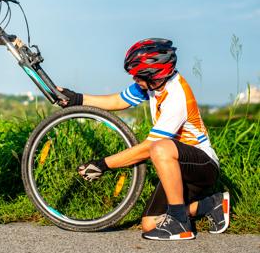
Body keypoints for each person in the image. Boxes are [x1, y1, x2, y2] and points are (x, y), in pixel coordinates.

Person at [60, 38, 229, 240]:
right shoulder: (152, 86)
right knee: (149, 224)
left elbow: (149, 148)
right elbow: (118, 100)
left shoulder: (177, 96)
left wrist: (103, 164)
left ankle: (180, 223)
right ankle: (211, 204)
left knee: (159, 148)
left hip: (202, 166)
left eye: (138, 76)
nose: (135, 80)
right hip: (176, 166)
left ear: (155, 75)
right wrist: (78, 99)